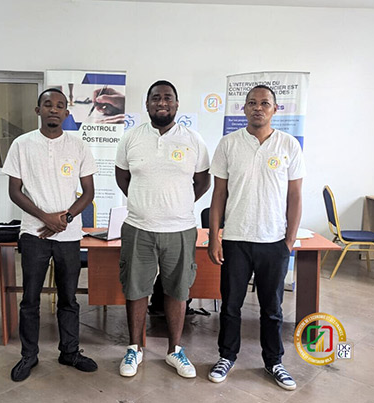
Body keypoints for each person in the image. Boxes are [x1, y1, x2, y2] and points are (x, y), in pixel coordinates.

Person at [207, 85, 305, 391]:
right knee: (231, 305)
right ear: (244, 108)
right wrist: (214, 237)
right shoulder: (228, 144)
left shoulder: (288, 145)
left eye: (264, 103)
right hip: (236, 239)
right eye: (252, 103)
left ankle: (274, 361)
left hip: (273, 241)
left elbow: (295, 196)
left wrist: (288, 240)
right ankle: (226, 356)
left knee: (272, 308)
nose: (258, 108)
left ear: (275, 109)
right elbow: (218, 194)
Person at [115, 80, 211, 378]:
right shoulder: (131, 137)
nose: (162, 103)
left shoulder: (193, 140)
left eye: (168, 98)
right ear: (147, 104)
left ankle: (175, 350)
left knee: (178, 290)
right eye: (155, 98)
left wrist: (179, 204)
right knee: (135, 289)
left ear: (177, 104)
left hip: (180, 229)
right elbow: (122, 177)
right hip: (138, 227)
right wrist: (144, 202)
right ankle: (134, 348)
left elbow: (202, 181)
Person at [2, 88, 98, 382]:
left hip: (69, 235)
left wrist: (64, 219)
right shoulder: (22, 144)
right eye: (48, 105)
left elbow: (88, 192)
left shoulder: (78, 146)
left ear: (67, 113)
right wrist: (45, 218)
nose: (53, 109)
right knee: (30, 299)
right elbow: (14, 191)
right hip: (34, 234)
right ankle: (29, 355)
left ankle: (69, 351)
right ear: (38, 110)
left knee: (69, 298)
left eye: (59, 105)